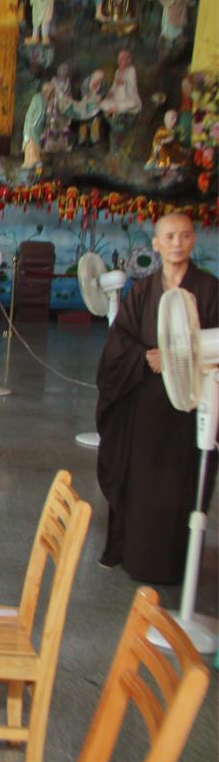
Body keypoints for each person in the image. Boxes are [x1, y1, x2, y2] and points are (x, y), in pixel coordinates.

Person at [95, 212, 217, 583]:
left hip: (189, 403)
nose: (177, 243)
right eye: (169, 236)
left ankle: (176, 563)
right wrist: (145, 357)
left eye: (184, 235)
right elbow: (120, 340)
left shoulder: (210, 289)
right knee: (141, 480)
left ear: (194, 240)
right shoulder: (143, 291)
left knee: (181, 484)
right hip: (145, 402)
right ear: (156, 244)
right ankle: (132, 552)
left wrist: (181, 357)